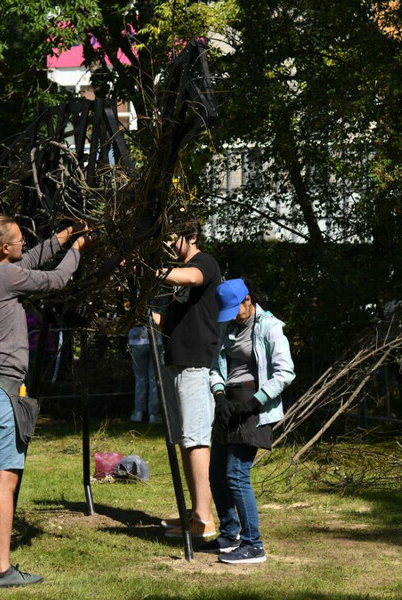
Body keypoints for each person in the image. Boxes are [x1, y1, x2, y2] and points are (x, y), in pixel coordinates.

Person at [0, 215, 90, 587]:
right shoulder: (7, 276)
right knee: (4, 479)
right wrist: (77, 249)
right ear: (4, 249)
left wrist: (63, 235)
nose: (22, 245)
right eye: (17, 240)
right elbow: (56, 279)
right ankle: (1, 569)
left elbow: (29, 259)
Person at [202, 278, 295, 565]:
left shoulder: (270, 327)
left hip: (256, 406)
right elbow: (215, 366)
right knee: (216, 472)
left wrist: (255, 402)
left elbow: (285, 372)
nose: (231, 316)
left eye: (235, 309)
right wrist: (218, 395)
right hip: (228, 404)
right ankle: (230, 534)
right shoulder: (225, 326)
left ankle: (254, 544)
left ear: (248, 300)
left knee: (236, 474)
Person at [156, 217, 222, 540]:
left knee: (197, 440)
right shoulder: (177, 280)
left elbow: (194, 278)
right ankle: (195, 513)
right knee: (185, 440)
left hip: (196, 366)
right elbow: (165, 322)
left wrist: (153, 273)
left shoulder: (203, 263)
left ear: (191, 236)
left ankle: (205, 520)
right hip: (176, 364)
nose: (168, 245)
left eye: (173, 238)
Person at [127, 325, 161, 424]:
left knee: (140, 379)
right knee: (154, 379)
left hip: (137, 340)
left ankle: (138, 412)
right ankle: (153, 414)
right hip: (155, 340)